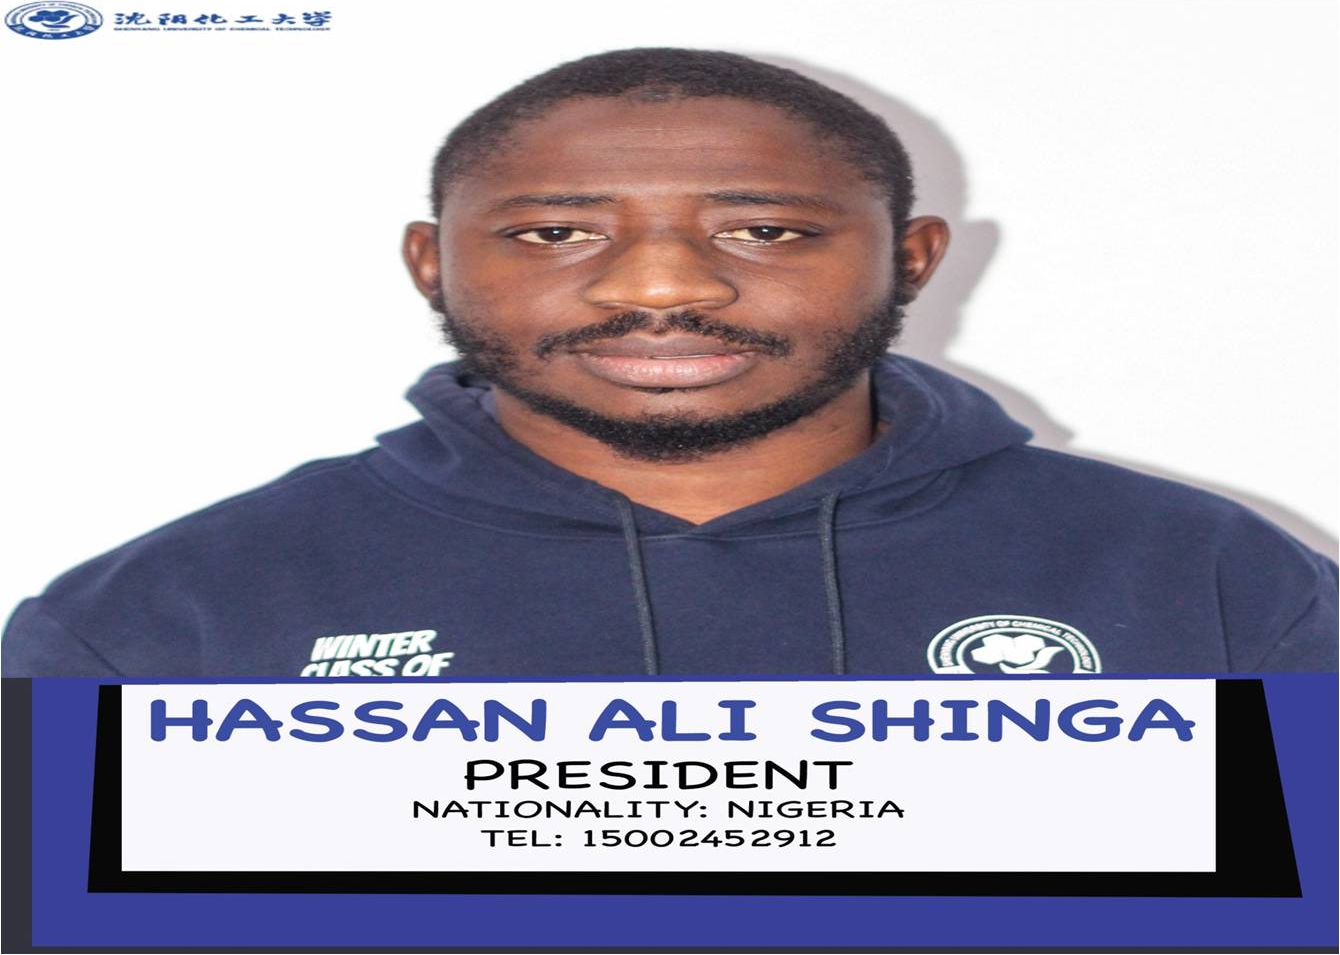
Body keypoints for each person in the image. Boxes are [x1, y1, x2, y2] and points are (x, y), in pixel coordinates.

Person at [3, 48, 1334, 678]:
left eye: (765, 230)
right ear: (432, 263)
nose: (661, 286)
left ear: (913, 257)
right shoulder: (160, 619)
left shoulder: (1215, 583)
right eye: (556, 233)